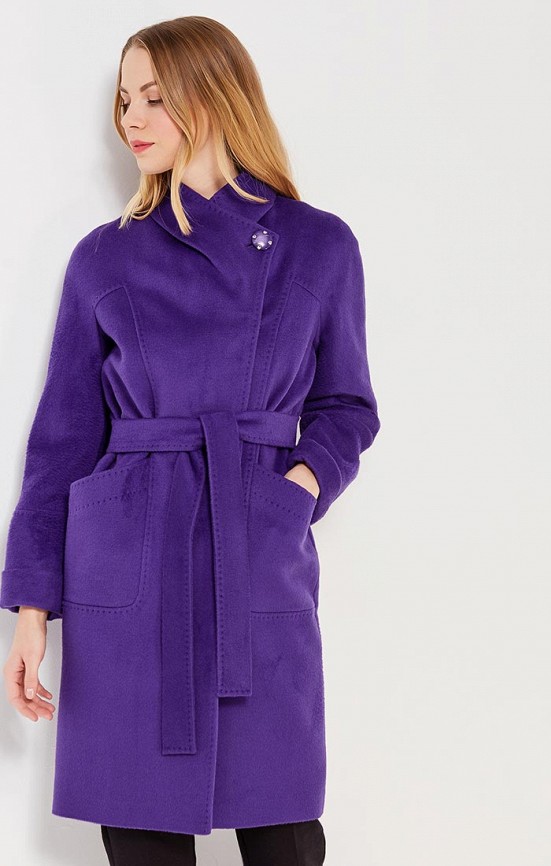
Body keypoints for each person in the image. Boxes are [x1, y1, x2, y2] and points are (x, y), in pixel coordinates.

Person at [1, 15, 381, 866]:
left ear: (213, 95)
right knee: (139, 830)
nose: (131, 119)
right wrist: (30, 611)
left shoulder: (318, 244)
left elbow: (347, 406)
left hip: (256, 553)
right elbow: (62, 442)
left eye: (153, 97)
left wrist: (293, 493)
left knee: (284, 828)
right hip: (128, 562)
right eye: (123, 100)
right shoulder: (105, 259)